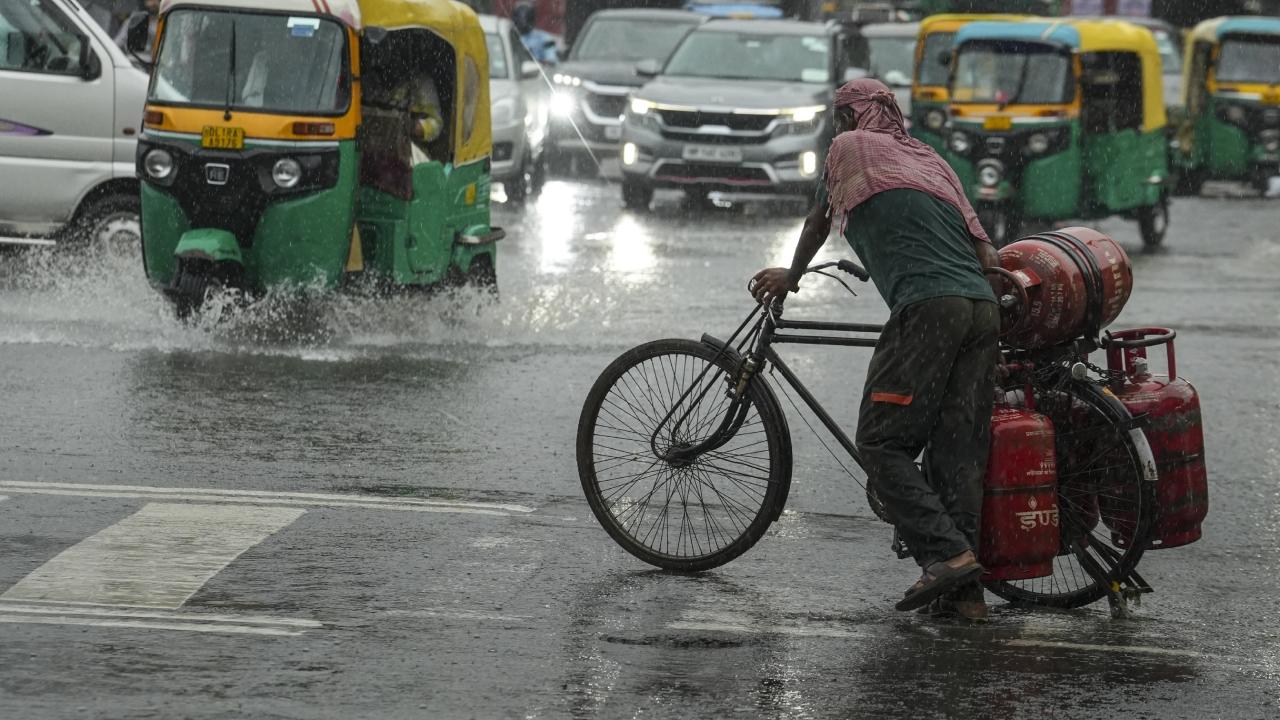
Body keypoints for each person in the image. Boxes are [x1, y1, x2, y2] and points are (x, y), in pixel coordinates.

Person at [751, 78, 1001, 621]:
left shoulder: (850, 150)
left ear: (847, 118)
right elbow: (984, 245)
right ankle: (967, 599)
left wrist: (791, 277)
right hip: (981, 308)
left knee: (881, 444)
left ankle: (949, 556)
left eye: (839, 119)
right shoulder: (929, 159)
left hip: (929, 306)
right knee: (958, 452)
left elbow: (820, 219)